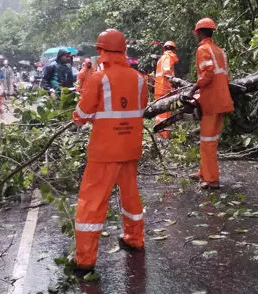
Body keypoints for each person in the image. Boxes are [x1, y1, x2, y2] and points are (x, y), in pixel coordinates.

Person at [71, 29, 148, 277]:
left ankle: (85, 260)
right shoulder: (139, 79)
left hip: (104, 152)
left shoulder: (97, 79)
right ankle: (135, 239)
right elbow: (141, 107)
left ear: (102, 51)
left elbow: (81, 115)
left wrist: (84, 116)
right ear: (123, 51)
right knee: (131, 196)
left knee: (92, 204)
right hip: (130, 147)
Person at [188, 18, 234, 190]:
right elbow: (226, 76)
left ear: (199, 33)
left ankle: (212, 179)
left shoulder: (203, 49)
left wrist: (194, 88)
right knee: (209, 139)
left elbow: (207, 74)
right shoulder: (220, 51)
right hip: (223, 99)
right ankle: (203, 172)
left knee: (207, 141)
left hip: (212, 102)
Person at [153, 41, 179, 139]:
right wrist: (176, 82)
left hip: (160, 89)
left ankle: (159, 135)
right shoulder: (168, 57)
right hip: (165, 89)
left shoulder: (162, 58)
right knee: (165, 114)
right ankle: (163, 137)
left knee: (160, 114)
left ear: (164, 49)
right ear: (173, 50)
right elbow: (167, 71)